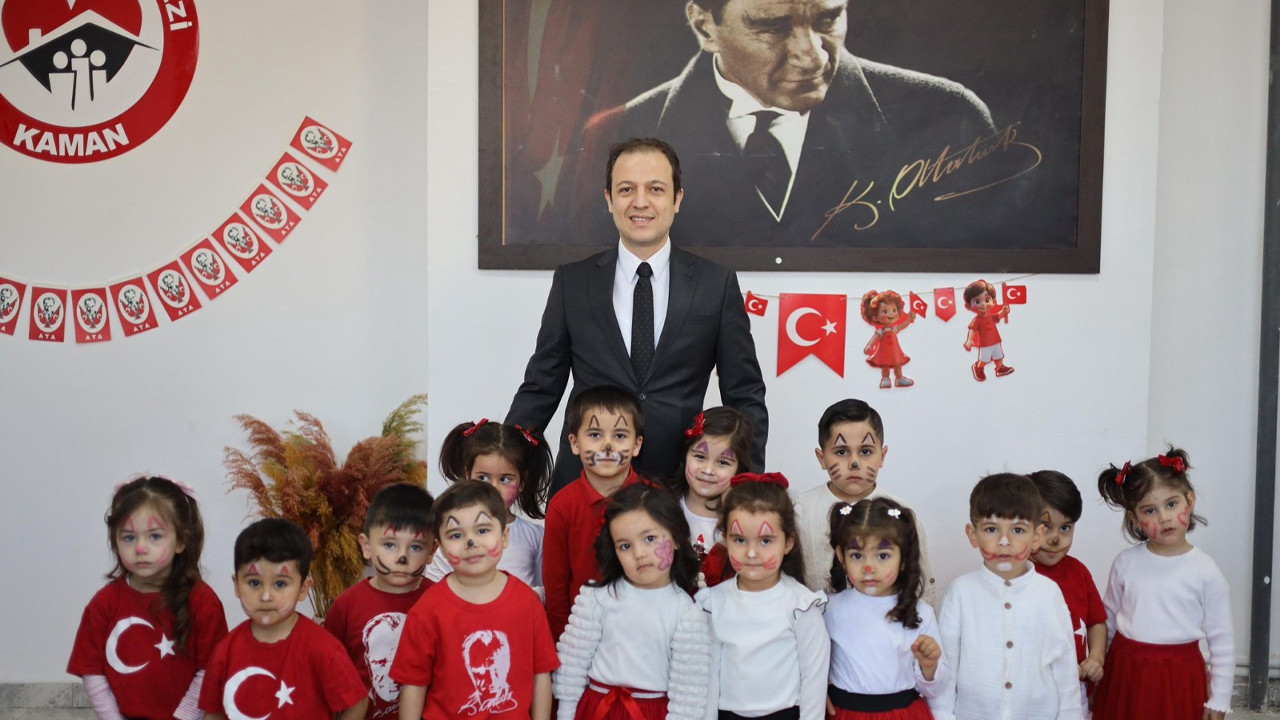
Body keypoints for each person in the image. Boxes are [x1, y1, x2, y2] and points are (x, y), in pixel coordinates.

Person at [556, 0, 999, 250]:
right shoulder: (615, 134)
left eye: (828, 19)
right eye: (772, 27)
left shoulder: (950, 118)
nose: (813, 56)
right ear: (705, 27)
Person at [507, 136, 768, 494]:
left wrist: (750, 485)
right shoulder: (573, 282)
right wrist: (502, 464)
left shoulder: (715, 284)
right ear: (609, 199)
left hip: (678, 489)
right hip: (585, 486)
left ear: (677, 199)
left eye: (656, 189)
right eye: (626, 189)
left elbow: (744, 393)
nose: (640, 202)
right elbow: (542, 386)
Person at [391, 481, 559, 720]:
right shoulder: (427, 610)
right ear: (440, 547)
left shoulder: (528, 603)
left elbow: (541, 675)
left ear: (504, 536)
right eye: (456, 535)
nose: (471, 542)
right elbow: (414, 685)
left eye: (482, 530)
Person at [68, 476, 228, 720]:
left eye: (155, 536)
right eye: (129, 537)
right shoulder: (104, 603)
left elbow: (210, 671)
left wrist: (183, 718)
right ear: (115, 541)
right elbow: (92, 672)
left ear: (181, 541)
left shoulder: (203, 601)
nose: (140, 549)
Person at [1092, 449, 1232, 720]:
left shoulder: (1206, 572)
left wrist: (1220, 699)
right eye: (1150, 510)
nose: (1164, 517)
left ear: (1190, 501)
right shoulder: (1125, 563)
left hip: (1179, 677)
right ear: (1134, 518)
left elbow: (1222, 641)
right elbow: (1107, 620)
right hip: (1125, 673)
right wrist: (1099, 665)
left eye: (1171, 504)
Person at [553, 482, 710, 720]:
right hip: (596, 710)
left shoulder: (686, 613)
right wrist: (566, 714)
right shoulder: (597, 599)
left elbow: (688, 695)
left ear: (677, 537)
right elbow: (571, 666)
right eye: (625, 546)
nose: (639, 553)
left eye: (650, 538)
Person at [934, 473, 1082, 720]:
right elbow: (945, 670)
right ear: (973, 534)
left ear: (1037, 536)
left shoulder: (1049, 593)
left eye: (1018, 530)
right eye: (992, 529)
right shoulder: (960, 593)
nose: (1004, 541)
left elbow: (1065, 671)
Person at [199, 518, 368, 720]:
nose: (266, 596)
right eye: (254, 583)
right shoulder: (224, 652)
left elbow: (357, 702)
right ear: (237, 585)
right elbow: (213, 714)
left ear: (303, 588)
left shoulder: (324, 649)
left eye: (280, 584)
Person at [697, 472, 829, 720]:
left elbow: (814, 682)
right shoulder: (712, 604)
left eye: (766, 540)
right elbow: (708, 679)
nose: (751, 553)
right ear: (725, 539)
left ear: (788, 542)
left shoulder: (801, 606)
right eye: (739, 540)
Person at [793, 399, 935, 600]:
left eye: (865, 451)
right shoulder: (800, 512)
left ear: (882, 455)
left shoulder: (901, 514)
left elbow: (922, 588)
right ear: (822, 458)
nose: (854, 463)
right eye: (841, 452)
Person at [825, 497, 947, 719]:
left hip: (904, 715)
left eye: (883, 556)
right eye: (857, 556)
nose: (868, 567)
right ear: (841, 557)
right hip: (845, 714)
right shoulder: (828, 609)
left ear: (903, 559)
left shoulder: (921, 613)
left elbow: (934, 690)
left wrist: (929, 666)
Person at [543, 385, 647, 640]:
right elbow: (555, 584)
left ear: (637, 445)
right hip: (581, 635)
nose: (607, 445)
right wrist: (563, 640)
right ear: (575, 443)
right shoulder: (562, 506)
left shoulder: (653, 500)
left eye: (620, 435)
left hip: (642, 633)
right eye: (595, 434)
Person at [324, 483, 435, 720]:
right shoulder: (346, 607)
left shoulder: (439, 601)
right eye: (389, 545)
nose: (402, 557)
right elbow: (327, 677)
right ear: (366, 547)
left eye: (415, 547)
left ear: (431, 552)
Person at [425, 419, 553, 599]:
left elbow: (546, 592)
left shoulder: (535, 536)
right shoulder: (452, 534)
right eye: (483, 478)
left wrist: (523, 598)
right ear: (468, 475)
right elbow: (433, 596)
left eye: (505, 479)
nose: (493, 488)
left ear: (522, 482)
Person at [1029, 470, 1107, 717]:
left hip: (1074, 688)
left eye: (1065, 527)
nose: (1055, 539)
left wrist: (1096, 658)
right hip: (1028, 691)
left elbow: (1096, 622)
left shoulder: (1078, 572)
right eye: (1044, 527)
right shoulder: (1016, 574)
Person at [668, 407, 754, 569]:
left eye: (723, 462)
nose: (708, 470)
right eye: (700, 457)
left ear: (739, 469)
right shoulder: (662, 510)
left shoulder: (743, 522)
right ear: (685, 455)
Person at [861, 290, 916, 389]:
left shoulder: (894, 328)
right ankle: (886, 378)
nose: (891, 314)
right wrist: (869, 346)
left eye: (894, 310)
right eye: (885, 311)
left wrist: (910, 318)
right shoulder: (881, 331)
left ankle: (899, 378)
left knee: (897, 363)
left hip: (895, 351)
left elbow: (904, 325)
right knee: (885, 365)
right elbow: (874, 338)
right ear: (875, 317)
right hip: (883, 351)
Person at [962, 279, 1013, 382]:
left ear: (993, 301)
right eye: (977, 301)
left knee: (999, 356)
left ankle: (1000, 368)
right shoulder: (977, 320)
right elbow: (972, 330)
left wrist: (1004, 311)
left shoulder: (990, 316)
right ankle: (979, 367)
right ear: (969, 305)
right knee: (984, 359)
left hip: (996, 341)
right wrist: (969, 340)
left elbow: (998, 316)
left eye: (987, 300)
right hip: (985, 344)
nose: (983, 304)